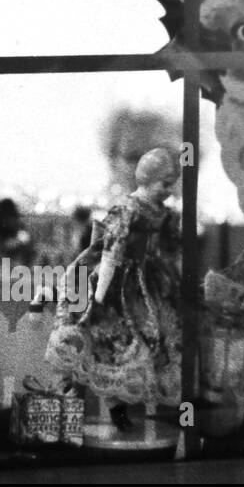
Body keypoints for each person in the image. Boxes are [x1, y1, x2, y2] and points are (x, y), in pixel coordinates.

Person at [46, 148, 182, 432]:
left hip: (149, 282)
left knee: (151, 338)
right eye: (164, 183)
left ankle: (137, 402)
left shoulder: (163, 214)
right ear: (146, 178)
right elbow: (111, 253)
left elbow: (169, 251)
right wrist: (97, 294)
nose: (169, 191)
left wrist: (172, 276)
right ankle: (110, 404)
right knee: (108, 340)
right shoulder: (127, 209)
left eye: (171, 184)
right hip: (121, 284)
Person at [0, 198, 33, 267]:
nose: (7, 220)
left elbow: (25, 237)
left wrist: (17, 241)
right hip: (5, 252)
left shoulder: (18, 224)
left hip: (15, 253)